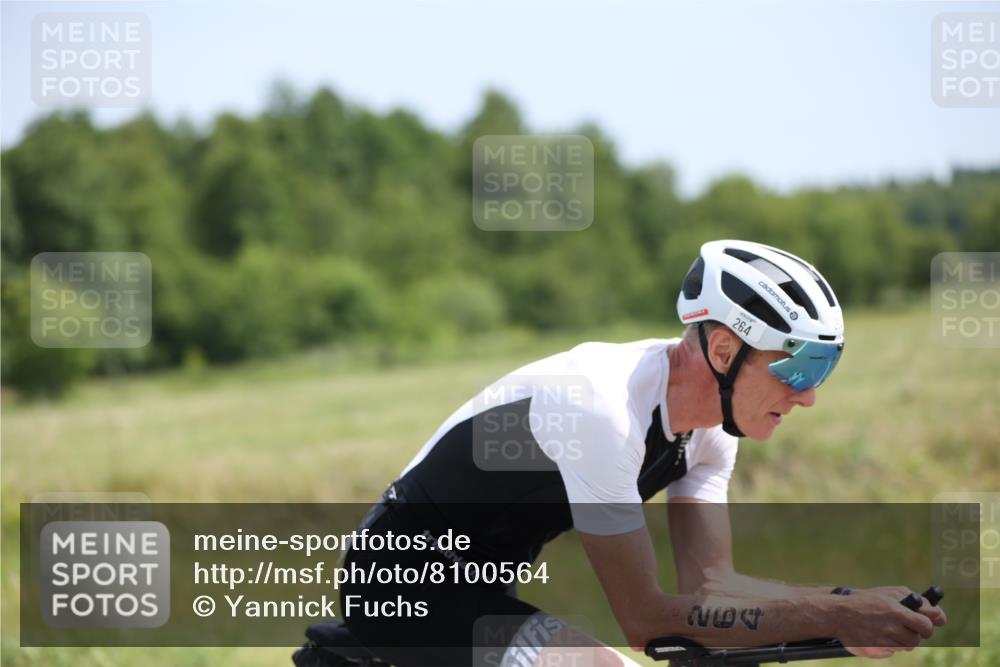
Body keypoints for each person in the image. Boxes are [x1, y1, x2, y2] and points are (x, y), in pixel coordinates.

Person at [333, 240, 946, 667]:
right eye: (801, 367)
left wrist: (845, 603)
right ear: (726, 352)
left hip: (487, 586)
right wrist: (833, 618)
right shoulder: (604, 407)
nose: (809, 397)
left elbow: (713, 588)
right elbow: (646, 619)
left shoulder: (709, 433)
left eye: (826, 366)